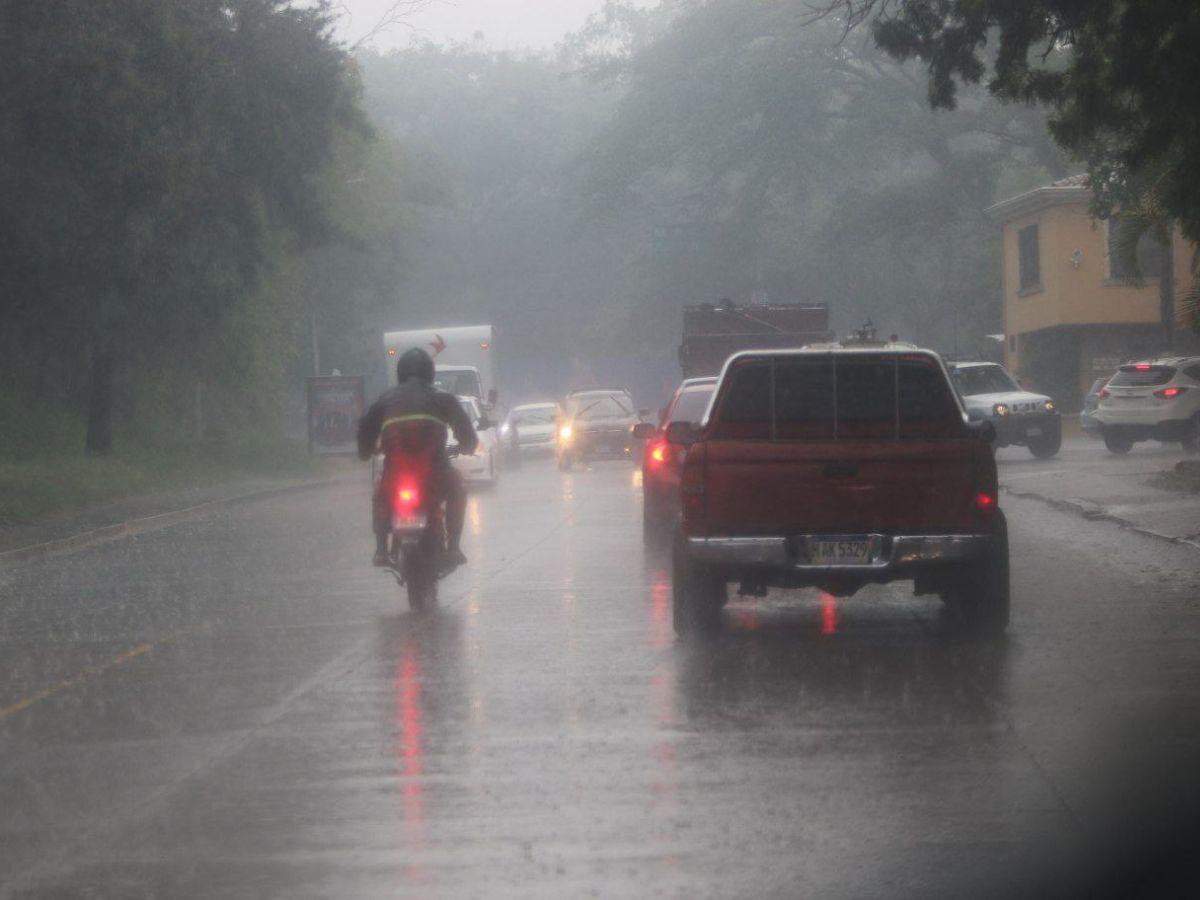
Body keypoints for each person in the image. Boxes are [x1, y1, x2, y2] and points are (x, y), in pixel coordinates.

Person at [358, 347, 478, 569]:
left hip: (396, 474)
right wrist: (467, 446)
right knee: (457, 489)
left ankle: (381, 550)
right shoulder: (444, 399)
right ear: (430, 373)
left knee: (380, 495)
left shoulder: (384, 400)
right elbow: (468, 438)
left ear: (401, 373)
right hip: (435, 473)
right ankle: (453, 546)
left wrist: (366, 451)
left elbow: (365, 434)